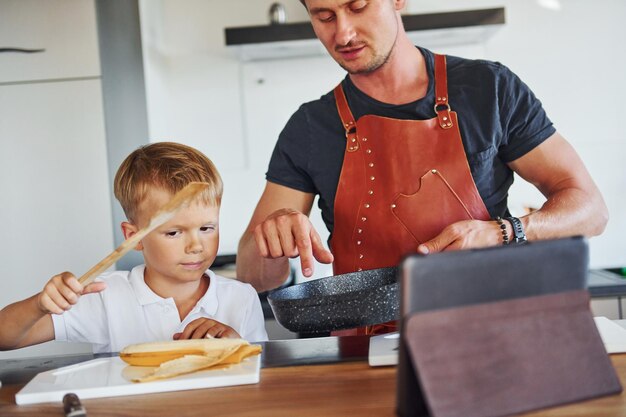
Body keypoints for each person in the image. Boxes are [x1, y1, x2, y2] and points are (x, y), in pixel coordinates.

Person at [237, 0, 608, 310]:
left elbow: (590, 210)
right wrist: (270, 240)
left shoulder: (488, 89)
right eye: (324, 16)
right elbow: (253, 278)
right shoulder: (308, 127)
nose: (343, 33)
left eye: (358, 6)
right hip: (362, 350)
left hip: (490, 330)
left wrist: (505, 231)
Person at [0, 142, 268, 353]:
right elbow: (4, 337)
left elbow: (262, 377)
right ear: (135, 237)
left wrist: (239, 347)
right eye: (174, 232)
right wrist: (39, 305)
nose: (196, 246)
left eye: (207, 228)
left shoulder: (241, 298)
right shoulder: (105, 297)